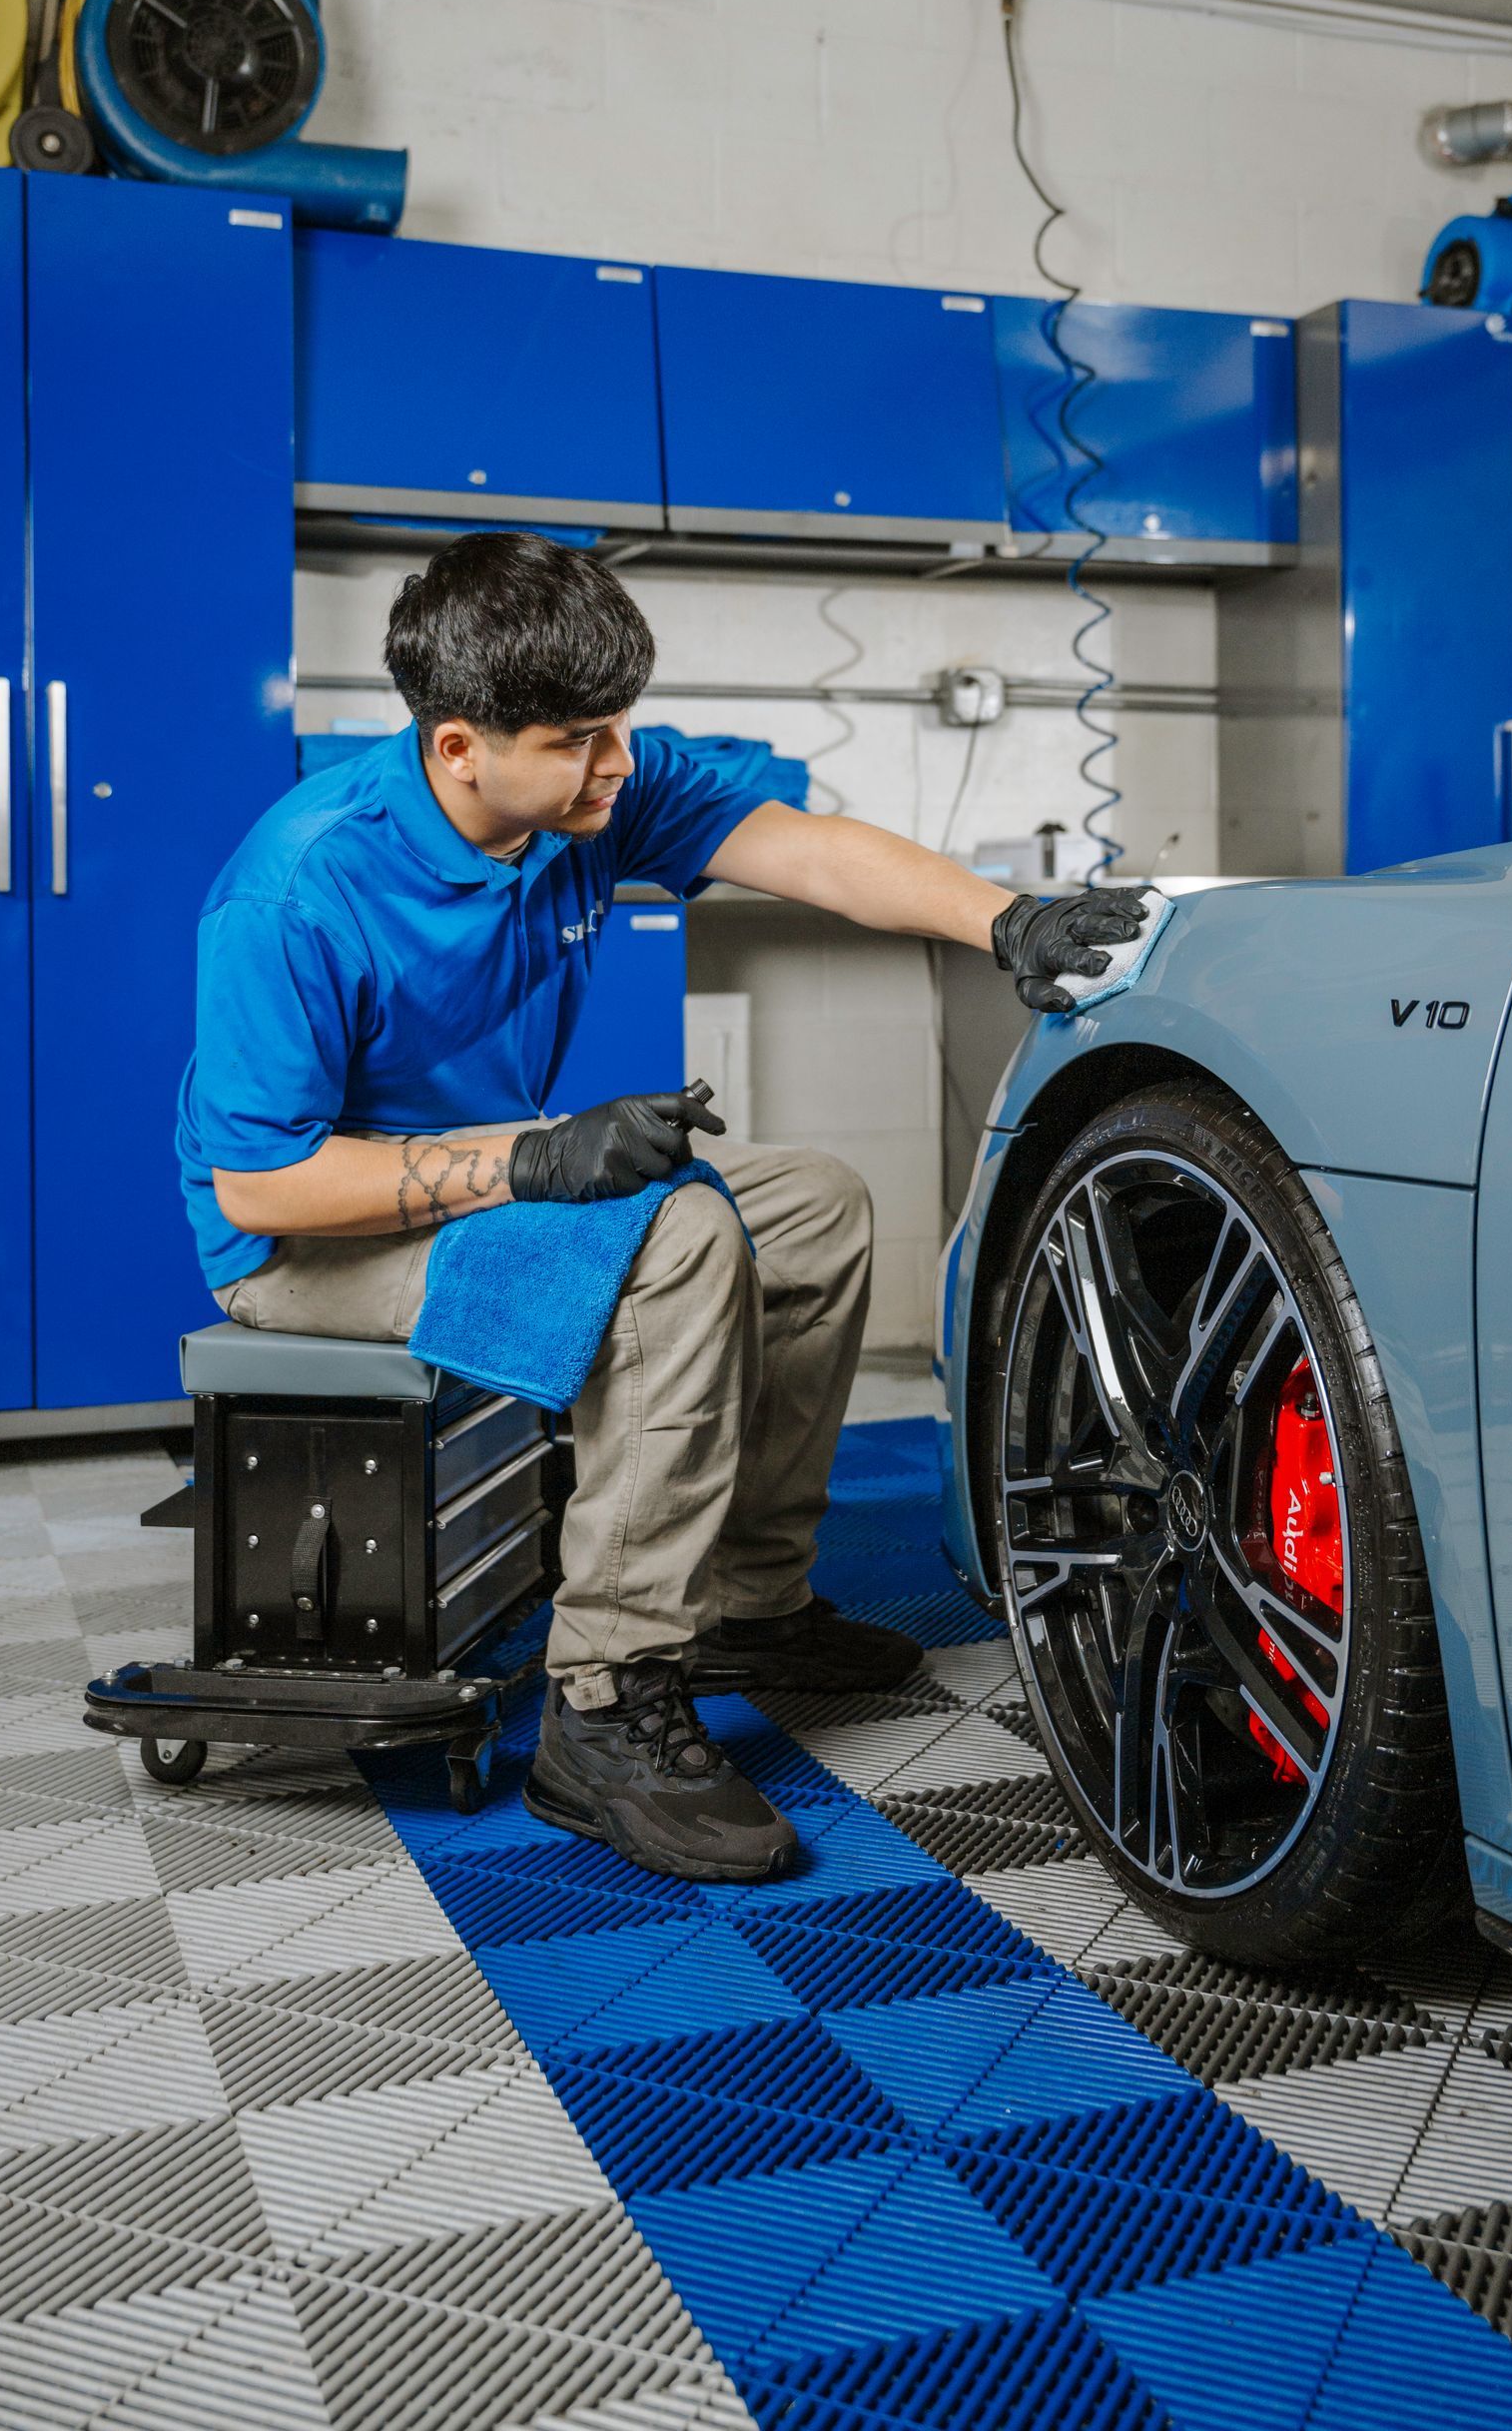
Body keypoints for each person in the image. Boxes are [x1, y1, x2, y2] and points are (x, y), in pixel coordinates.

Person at [178, 531, 1144, 1882]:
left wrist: (1010, 922)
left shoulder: (586, 788)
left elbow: (805, 850)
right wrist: (532, 1164)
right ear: (460, 748)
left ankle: (749, 1600)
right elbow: (265, 1184)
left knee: (811, 1202)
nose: (616, 765)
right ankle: (605, 1702)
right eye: (579, 741)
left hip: (473, 1172)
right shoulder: (299, 889)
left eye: (617, 730)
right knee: (676, 1233)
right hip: (303, 1243)